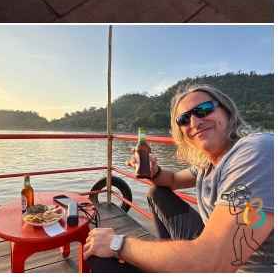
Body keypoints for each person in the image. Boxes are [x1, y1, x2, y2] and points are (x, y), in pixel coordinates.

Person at [85, 84, 273, 272]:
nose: (194, 122)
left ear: (227, 111)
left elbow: (212, 262)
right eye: (183, 119)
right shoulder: (208, 165)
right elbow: (173, 179)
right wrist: (154, 171)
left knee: (101, 261)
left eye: (204, 110)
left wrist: (117, 244)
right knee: (157, 193)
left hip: (241, 267)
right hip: (214, 250)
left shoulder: (255, 151)